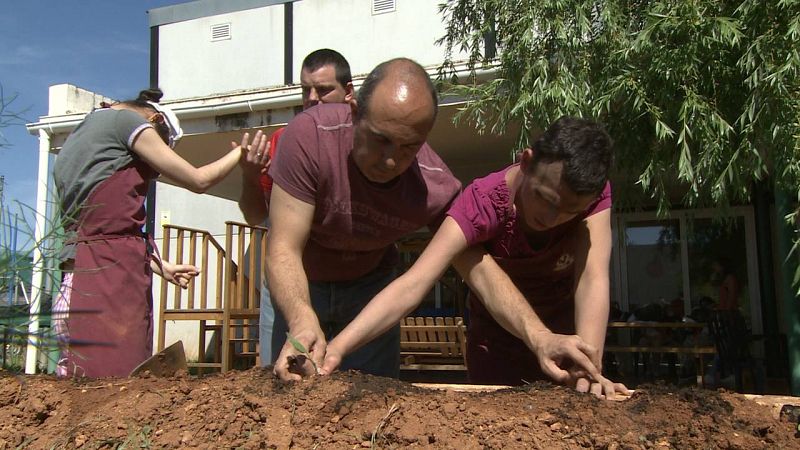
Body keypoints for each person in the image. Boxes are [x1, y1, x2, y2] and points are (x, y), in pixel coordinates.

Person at [322, 116, 630, 398]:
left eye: (568, 211)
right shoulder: (482, 202)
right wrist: (335, 349)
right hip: (496, 350)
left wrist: (589, 367)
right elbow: (415, 282)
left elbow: (592, 277)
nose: (551, 217)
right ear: (526, 162)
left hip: (564, 348)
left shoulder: (595, 196)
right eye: (544, 198)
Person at [266, 58, 462, 381]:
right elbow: (282, 247)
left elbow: (473, 259)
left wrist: (538, 336)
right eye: (380, 139)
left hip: (370, 291)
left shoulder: (433, 183)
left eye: (408, 147)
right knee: (287, 391)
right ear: (354, 112)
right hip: (300, 282)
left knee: (370, 399)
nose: (390, 160)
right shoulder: (310, 136)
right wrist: (301, 318)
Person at [52, 88, 266, 378]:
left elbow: (104, 226)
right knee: (113, 393)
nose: (152, 168)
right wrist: (241, 154)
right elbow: (199, 180)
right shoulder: (124, 122)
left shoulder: (80, 136)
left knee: (78, 390)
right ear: (153, 120)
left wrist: (160, 266)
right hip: (108, 285)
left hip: (75, 282)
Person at [237, 49, 354, 366]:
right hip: (292, 286)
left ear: (349, 92)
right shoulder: (283, 140)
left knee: (364, 391)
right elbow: (254, 215)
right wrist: (249, 175)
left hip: (359, 285)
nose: (313, 98)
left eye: (324, 89)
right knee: (280, 386)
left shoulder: (366, 140)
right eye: (306, 90)